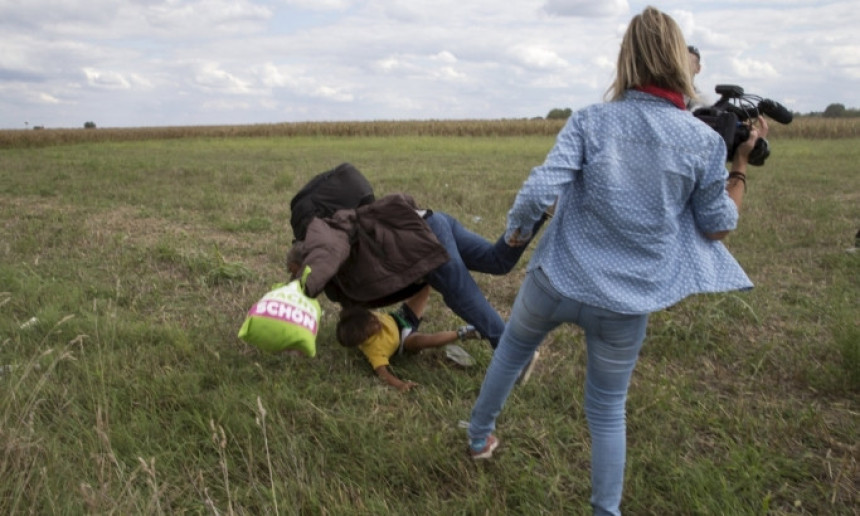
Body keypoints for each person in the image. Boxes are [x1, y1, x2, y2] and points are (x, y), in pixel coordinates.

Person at [466, 6, 768, 516]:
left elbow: (541, 187)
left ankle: (477, 438)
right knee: (607, 410)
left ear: (626, 59)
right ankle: (605, 510)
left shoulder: (591, 120)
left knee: (512, 352)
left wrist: (517, 235)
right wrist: (739, 164)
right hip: (627, 300)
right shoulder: (701, 140)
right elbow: (718, 225)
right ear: (679, 61)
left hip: (556, 278)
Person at [291, 192, 549, 351]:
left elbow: (326, 254)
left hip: (421, 242)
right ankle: (537, 209)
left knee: (458, 291)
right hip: (430, 223)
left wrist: (298, 291)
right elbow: (352, 315)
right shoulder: (341, 288)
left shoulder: (325, 242)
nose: (293, 274)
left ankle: (514, 354)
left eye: (294, 269)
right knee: (497, 261)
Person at [335, 285, 480, 391]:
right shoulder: (374, 350)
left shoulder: (361, 319)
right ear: (365, 337)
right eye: (373, 325)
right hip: (405, 340)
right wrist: (400, 385)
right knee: (422, 341)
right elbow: (383, 374)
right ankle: (463, 333)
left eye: (373, 317)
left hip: (400, 318)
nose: (376, 320)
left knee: (423, 287)